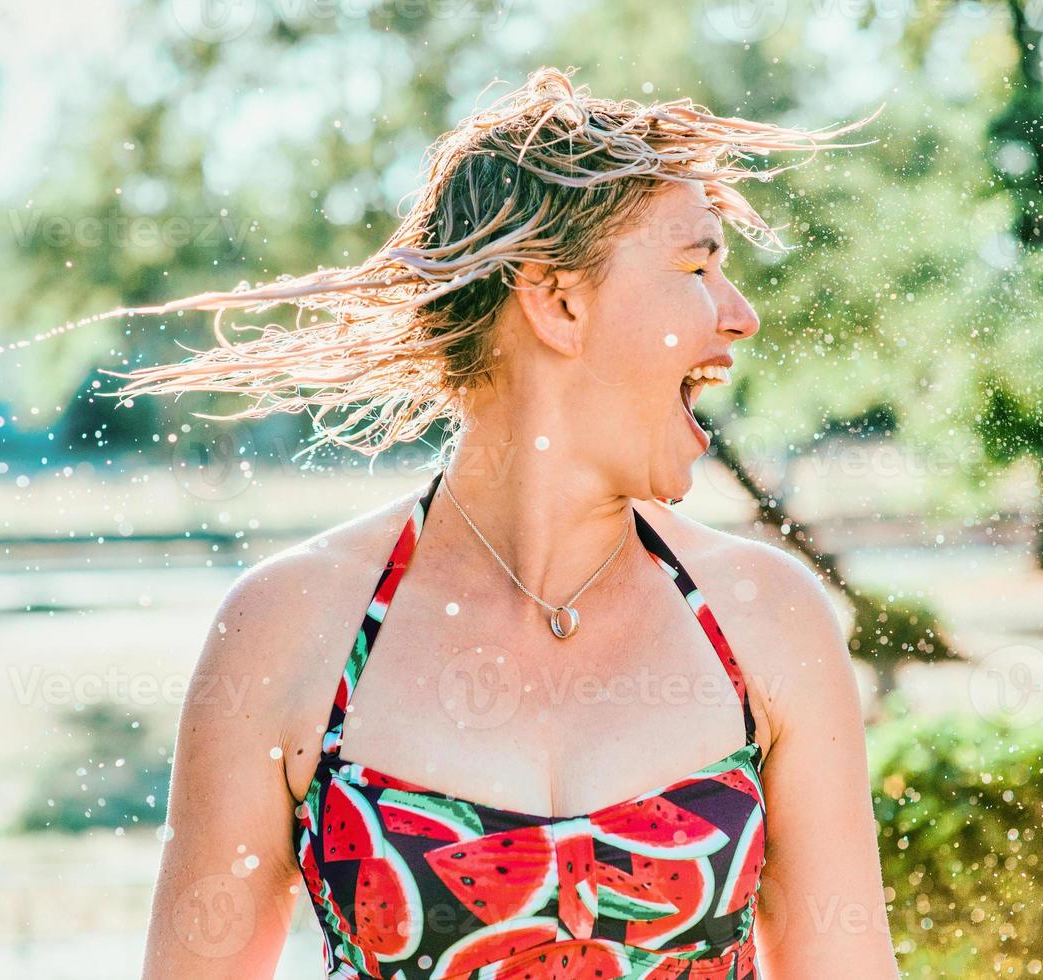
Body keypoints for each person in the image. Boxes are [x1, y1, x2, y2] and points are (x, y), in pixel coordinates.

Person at [127, 66, 899, 978]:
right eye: (697, 265)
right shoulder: (286, 628)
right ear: (558, 302)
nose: (740, 315)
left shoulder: (767, 619)